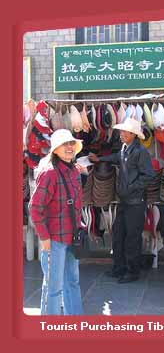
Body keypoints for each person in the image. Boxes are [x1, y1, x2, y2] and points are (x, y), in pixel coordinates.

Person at [89, 118, 155, 283]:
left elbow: (149, 176)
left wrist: (131, 187)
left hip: (135, 202)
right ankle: (119, 268)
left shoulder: (141, 152)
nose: (121, 134)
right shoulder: (125, 149)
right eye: (121, 131)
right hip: (125, 201)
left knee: (132, 238)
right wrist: (100, 159)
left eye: (124, 132)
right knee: (118, 236)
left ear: (133, 134)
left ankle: (132, 272)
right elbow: (116, 158)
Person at [29, 128, 86, 315]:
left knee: (73, 282)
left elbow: (75, 205)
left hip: (72, 237)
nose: (69, 147)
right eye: (64, 144)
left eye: (71, 143)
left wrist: (80, 224)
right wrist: (44, 239)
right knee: (53, 289)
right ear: (55, 149)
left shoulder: (75, 172)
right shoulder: (49, 174)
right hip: (54, 240)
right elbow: (35, 208)